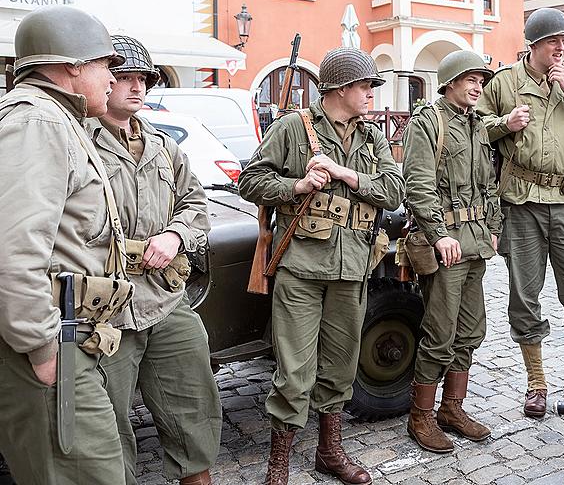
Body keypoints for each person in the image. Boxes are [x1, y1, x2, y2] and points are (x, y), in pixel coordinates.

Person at [239, 47, 404, 485]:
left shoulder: (371, 137)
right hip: (302, 270)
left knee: (341, 367)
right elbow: (249, 180)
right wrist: (296, 184)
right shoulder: (294, 128)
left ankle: (330, 452)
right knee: (294, 373)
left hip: (353, 269)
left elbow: (392, 190)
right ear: (342, 88)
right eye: (366, 85)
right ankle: (279, 465)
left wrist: (346, 175)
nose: (371, 94)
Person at [0, 5, 130, 484]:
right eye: (105, 65)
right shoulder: (41, 123)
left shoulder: (53, 119)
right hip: (51, 344)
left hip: (65, 337)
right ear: (73, 66)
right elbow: (13, 252)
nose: (112, 79)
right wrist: (40, 347)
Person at [87, 35, 221, 485]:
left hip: (164, 297)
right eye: (124, 77)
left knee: (193, 400)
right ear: (105, 81)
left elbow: (196, 202)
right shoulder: (79, 143)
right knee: (106, 421)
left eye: (142, 78)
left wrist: (174, 234)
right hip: (105, 308)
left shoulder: (164, 146)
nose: (136, 86)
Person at [477, 7, 564, 418]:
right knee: (525, 295)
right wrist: (505, 123)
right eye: (554, 41)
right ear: (534, 44)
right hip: (521, 203)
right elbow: (476, 127)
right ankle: (536, 383)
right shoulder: (504, 84)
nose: (561, 48)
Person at [402, 50, 501, 453]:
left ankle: (452, 408)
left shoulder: (478, 124)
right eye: (470, 79)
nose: (477, 86)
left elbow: (489, 182)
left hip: (476, 242)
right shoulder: (429, 122)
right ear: (449, 82)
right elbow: (418, 184)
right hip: (446, 243)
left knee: (471, 328)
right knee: (439, 332)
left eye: (480, 80)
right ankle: (420, 416)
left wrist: (493, 227)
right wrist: (439, 233)